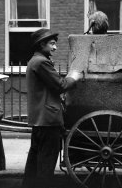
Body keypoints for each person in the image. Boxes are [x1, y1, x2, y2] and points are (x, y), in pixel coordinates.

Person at [22, 29, 82, 188]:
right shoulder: (41, 62)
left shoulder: (34, 60)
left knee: (35, 160)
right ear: (42, 44)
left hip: (40, 120)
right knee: (46, 164)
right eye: (52, 44)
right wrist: (74, 77)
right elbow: (60, 85)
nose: (55, 48)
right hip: (48, 120)